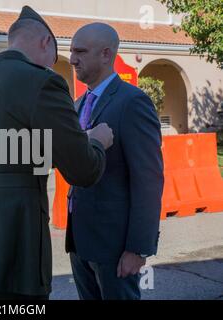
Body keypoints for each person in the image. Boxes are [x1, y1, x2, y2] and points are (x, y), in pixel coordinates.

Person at [0, 6, 114, 300]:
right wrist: (96, 142)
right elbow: (83, 170)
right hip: (8, 242)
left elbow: (4, 153)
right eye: (53, 59)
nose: (52, 68)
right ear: (44, 43)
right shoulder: (44, 82)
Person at [66, 23, 164, 300]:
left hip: (116, 246)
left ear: (106, 54)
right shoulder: (78, 103)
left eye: (80, 51)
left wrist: (138, 248)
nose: (72, 58)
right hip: (80, 242)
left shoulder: (133, 102)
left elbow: (148, 179)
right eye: (72, 51)